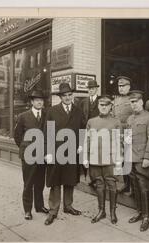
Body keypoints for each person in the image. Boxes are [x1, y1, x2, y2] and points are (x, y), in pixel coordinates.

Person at [44, 83, 86, 226]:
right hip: (56, 152)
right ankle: (53, 210)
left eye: (69, 95)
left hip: (72, 151)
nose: (68, 98)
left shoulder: (78, 111)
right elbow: (48, 133)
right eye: (64, 95)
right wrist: (48, 152)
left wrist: (81, 145)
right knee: (55, 181)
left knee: (70, 180)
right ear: (60, 97)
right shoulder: (52, 111)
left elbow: (82, 129)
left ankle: (68, 206)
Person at [83, 95, 122, 224]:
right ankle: (101, 211)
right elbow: (87, 140)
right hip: (95, 159)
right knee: (99, 185)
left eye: (106, 105)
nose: (104, 107)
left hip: (110, 159)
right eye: (101, 105)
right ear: (98, 106)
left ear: (111, 106)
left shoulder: (116, 122)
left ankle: (113, 212)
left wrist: (119, 159)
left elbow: (119, 142)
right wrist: (85, 157)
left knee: (112, 185)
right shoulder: (91, 121)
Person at [13, 90, 49, 220]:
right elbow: (17, 136)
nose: (40, 102)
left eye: (41, 100)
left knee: (40, 182)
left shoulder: (47, 115)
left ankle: (39, 206)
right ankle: (27, 210)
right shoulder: (23, 116)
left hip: (42, 155)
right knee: (28, 183)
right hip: (28, 155)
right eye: (37, 100)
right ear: (32, 102)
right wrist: (25, 148)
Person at [125, 90, 149, 232]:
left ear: (141, 102)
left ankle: (146, 217)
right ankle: (139, 212)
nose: (133, 105)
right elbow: (126, 139)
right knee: (135, 187)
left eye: (136, 102)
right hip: (130, 158)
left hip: (142, 158)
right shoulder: (130, 119)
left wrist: (147, 157)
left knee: (144, 188)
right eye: (131, 102)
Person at [113, 75, 134, 194]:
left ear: (129, 87)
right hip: (118, 133)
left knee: (129, 159)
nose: (121, 88)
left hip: (128, 133)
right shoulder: (116, 100)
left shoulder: (132, 99)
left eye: (123, 86)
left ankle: (132, 186)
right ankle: (126, 184)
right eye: (119, 86)